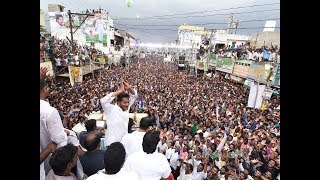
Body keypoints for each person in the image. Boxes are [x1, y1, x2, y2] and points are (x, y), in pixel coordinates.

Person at [40, 67, 68, 173]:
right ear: (45, 89)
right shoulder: (49, 111)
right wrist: (66, 133)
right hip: (50, 164)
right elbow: (60, 141)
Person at [100, 80, 138, 148]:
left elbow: (134, 96)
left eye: (128, 102)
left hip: (123, 145)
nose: (127, 104)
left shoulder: (126, 108)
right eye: (125, 102)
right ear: (118, 102)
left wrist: (129, 88)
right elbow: (103, 101)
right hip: (111, 145)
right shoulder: (110, 109)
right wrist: (120, 91)